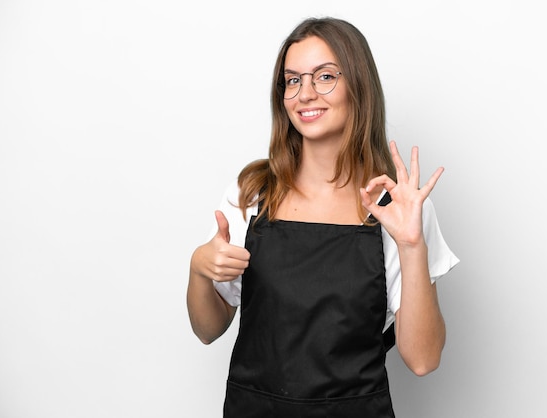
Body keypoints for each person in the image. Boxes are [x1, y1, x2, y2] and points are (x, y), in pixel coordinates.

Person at [186, 16, 459, 417]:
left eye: (325, 76)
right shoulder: (254, 193)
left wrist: (411, 244)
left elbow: (423, 359)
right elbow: (208, 330)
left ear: (358, 87)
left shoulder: (397, 207)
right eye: (293, 80)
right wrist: (198, 269)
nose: (305, 94)